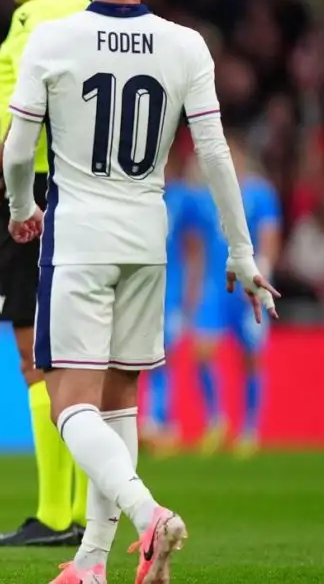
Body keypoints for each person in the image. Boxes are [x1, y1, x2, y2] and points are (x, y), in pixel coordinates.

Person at [1, 0, 279, 584]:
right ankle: (93, 562)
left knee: (70, 404)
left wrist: (20, 207)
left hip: (81, 236)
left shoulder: (53, 39)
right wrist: (241, 254)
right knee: (119, 402)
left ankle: (147, 514)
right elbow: (214, 155)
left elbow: (16, 151)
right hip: (146, 238)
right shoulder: (186, 46)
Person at [0, 0, 93, 549]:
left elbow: (30, 113)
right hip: (89, 192)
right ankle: (74, 512)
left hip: (37, 191)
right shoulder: (94, 15)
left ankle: (52, 516)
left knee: (37, 360)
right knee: (76, 360)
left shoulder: (36, 19)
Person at [186, 133, 282, 458]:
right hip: (215, 287)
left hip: (247, 286)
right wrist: (194, 288)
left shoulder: (260, 192)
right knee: (201, 351)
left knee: (251, 358)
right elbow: (196, 244)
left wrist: (262, 273)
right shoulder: (205, 196)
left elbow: (270, 234)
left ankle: (250, 429)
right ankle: (216, 421)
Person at [141, 151, 201, 455]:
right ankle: (152, 421)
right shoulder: (139, 193)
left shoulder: (182, 199)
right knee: (140, 356)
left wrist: (190, 298)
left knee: (163, 356)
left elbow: (194, 250)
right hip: (141, 290)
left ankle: (159, 421)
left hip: (170, 292)